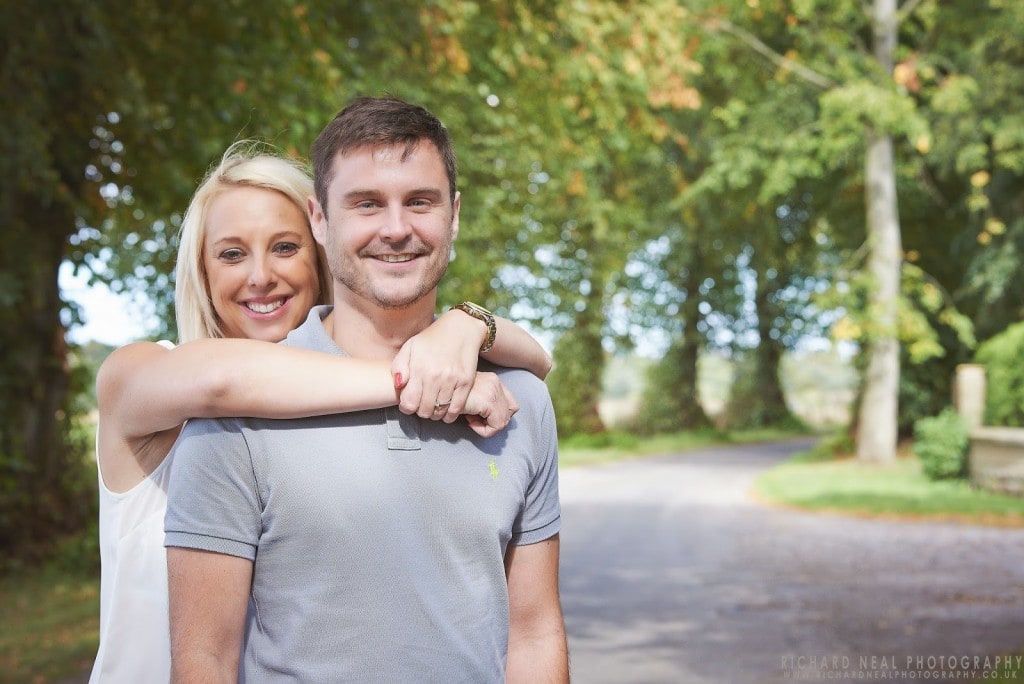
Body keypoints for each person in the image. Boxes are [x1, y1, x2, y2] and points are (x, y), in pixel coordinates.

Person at [89, 143, 552, 683]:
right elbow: (223, 382)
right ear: (202, 270)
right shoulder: (142, 375)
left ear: (320, 249)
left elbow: (540, 361)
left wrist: (469, 324)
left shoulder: (337, 396)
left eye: (284, 247)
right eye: (231, 254)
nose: (260, 276)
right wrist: (427, 376)